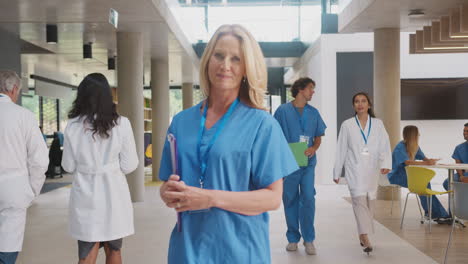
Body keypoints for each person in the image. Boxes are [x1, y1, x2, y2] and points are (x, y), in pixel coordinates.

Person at [158, 24, 298, 264]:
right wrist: (167, 193)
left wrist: (210, 198)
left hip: (240, 252)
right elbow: (167, 184)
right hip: (187, 251)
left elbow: (272, 199)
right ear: (208, 60)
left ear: (246, 69)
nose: (225, 66)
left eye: (236, 59)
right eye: (219, 56)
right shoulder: (181, 123)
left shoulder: (262, 125)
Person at [62, 73, 138, 264]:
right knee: (114, 249)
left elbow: (68, 166)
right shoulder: (122, 124)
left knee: (87, 250)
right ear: (107, 96)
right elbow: (130, 165)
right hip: (113, 192)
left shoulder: (72, 126)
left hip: (85, 194)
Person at [333, 92, 391, 254]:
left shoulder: (378, 124)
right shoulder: (347, 125)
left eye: (363, 101)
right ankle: (365, 236)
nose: (360, 104)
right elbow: (341, 149)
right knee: (359, 201)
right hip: (354, 169)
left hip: (372, 169)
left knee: (369, 202)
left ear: (369, 105)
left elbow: (384, 144)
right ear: (354, 106)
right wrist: (337, 171)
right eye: (357, 102)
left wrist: (386, 163)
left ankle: (361, 232)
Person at [0, 70, 49, 264]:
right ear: (13, 89)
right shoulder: (23, 116)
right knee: (8, 245)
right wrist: (32, 190)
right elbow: (39, 159)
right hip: (14, 189)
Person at [273, 77, 326, 255]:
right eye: (311, 88)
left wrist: (313, 148)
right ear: (301, 89)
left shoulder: (314, 113)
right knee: (290, 199)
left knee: (309, 198)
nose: (313, 92)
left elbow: (319, 136)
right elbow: (275, 136)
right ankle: (293, 238)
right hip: (288, 163)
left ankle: (309, 239)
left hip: (308, 163)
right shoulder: (282, 111)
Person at [387, 125, 450, 222]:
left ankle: (432, 213)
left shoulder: (415, 146)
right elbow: (407, 162)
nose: (419, 135)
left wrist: (430, 160)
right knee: (423, 183)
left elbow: (424, 158)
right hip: (397, 175)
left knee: (424, 183)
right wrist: (426, 163)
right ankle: (435, 213)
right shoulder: (400, 146)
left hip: (408, 175)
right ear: (413, 135)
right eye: (417, 133)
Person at [443, 123, 468, 190]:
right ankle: (458, 199)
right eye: (464, 131)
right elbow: (458, 165)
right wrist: (462, 176)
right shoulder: (459, 148)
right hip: (464, 174)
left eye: (467, 131)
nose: (465, 133)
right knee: (447, 182)